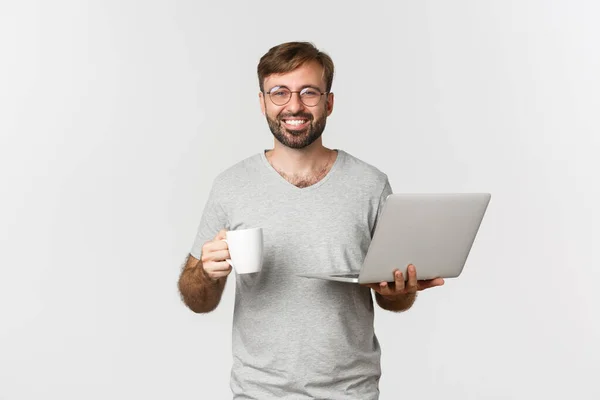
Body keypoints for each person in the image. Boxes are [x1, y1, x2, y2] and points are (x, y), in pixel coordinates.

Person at [177, 41, 445, 400]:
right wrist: (205, 274)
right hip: (258, 392)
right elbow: (198, 300)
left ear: (329, 103)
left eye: (309, 93)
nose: (294, 106)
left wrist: (400, 290)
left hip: (351, 392)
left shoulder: (370, 184)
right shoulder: (231, 186)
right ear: (262, 103)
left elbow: (392, 300)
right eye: (279, 93)